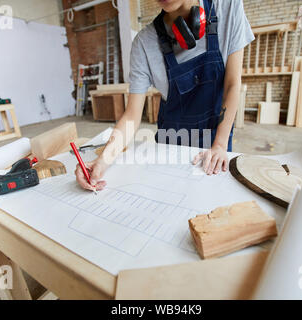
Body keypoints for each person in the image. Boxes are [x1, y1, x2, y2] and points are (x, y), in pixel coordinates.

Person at [76, 0, 254, 192]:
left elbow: (232, 84)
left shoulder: (227, 7)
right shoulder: (144, 43)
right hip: (171, 141)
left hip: (216, 137)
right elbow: (132, 116)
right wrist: (103, 160)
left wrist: (219, 145)